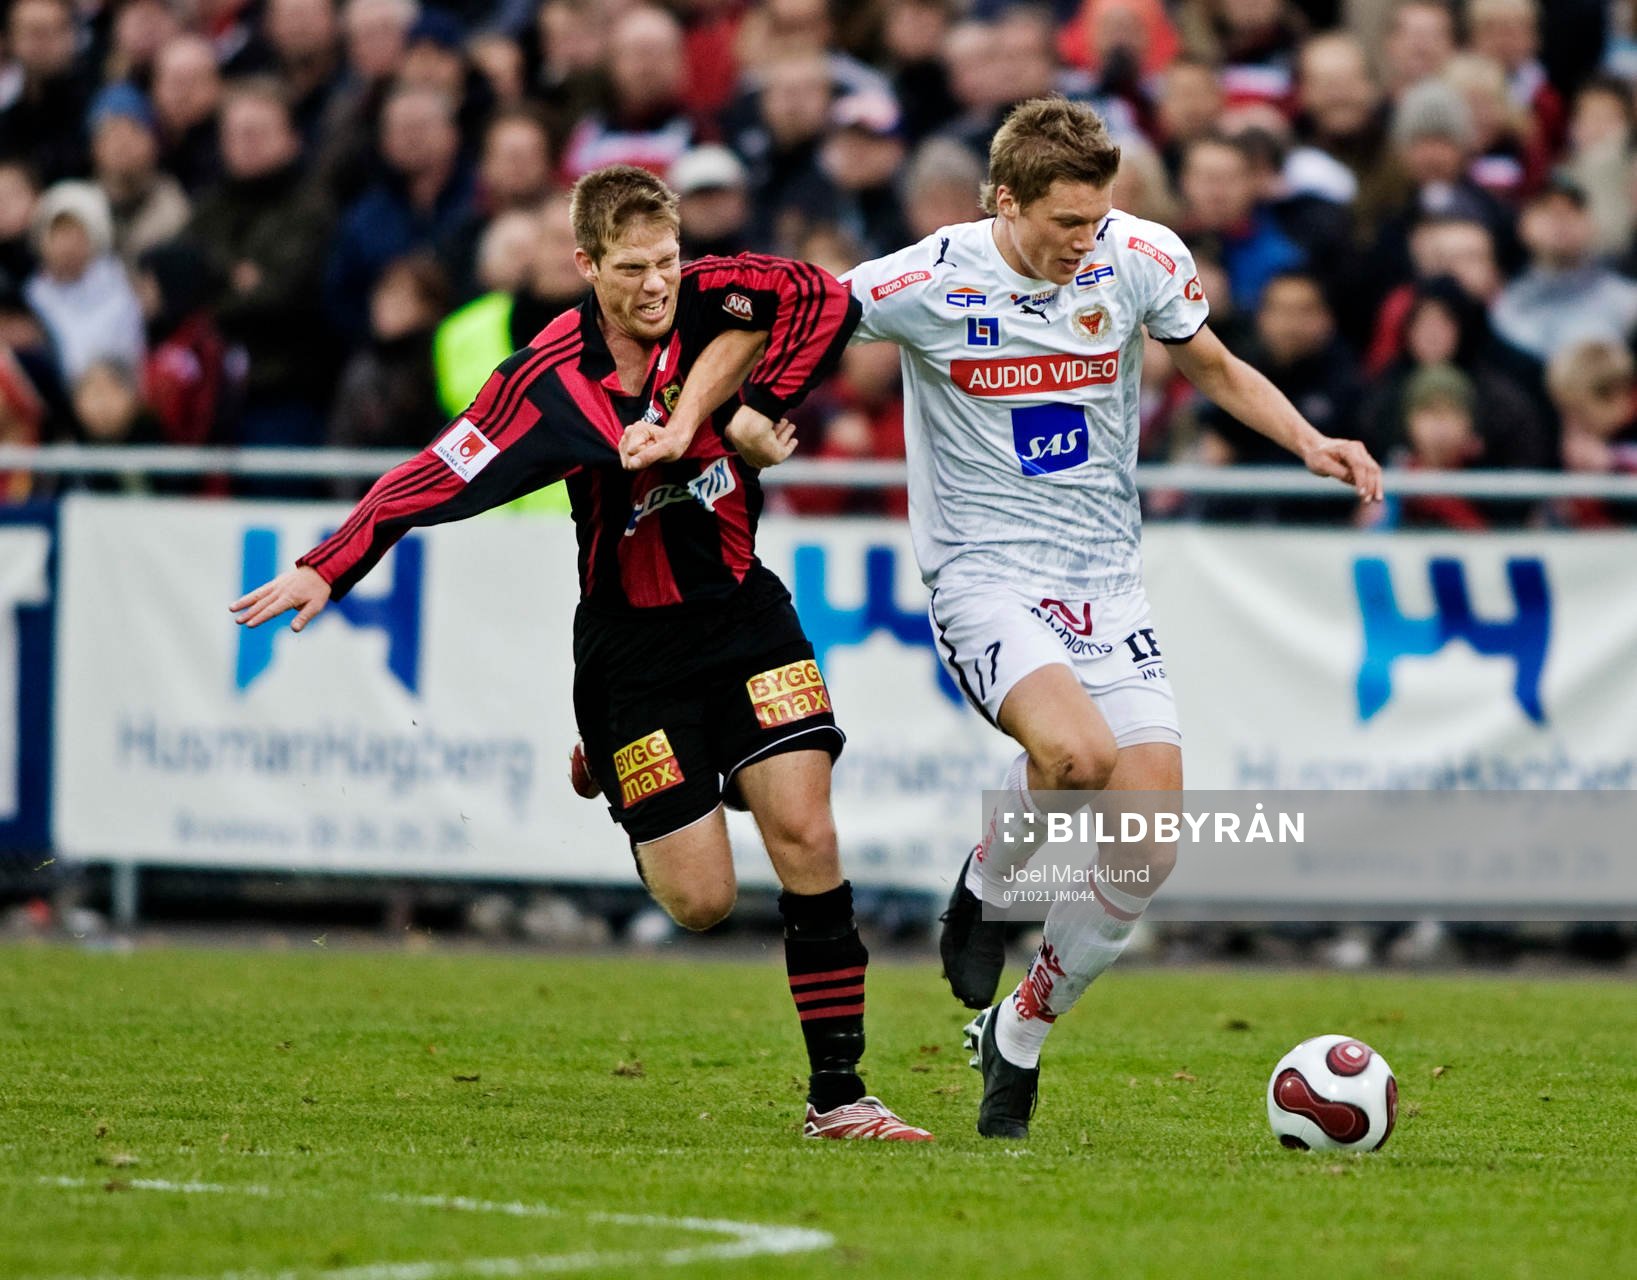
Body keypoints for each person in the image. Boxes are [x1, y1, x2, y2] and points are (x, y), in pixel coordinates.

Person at [644, 95, 1381, 1140]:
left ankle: (1018, 1031)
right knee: (1074, 756)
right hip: (982, 572)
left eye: (1098, 218)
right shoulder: (926, 276)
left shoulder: (1138, 256)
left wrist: (1309, 440)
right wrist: (717, 415)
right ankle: (987, 885)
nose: (1088, 243)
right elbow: (778, 312)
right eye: (1066, 224)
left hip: (1105, 579)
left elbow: (1207, 362)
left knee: (1148, 846)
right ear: (1004, 201)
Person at [231, 164, 932, 1144]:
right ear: (585, 264)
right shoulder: (543, 382)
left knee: (807, 834)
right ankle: (612, 756)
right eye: (633, 268)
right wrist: (329, 563)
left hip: (744, 616)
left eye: (668, 261)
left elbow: (826, 296)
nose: (657, 284)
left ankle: (839, 1094)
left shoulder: (717, 298)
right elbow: (436, 471)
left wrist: (750, 406)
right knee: (701, 899)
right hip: (629, 648)